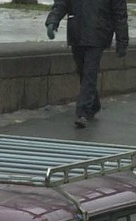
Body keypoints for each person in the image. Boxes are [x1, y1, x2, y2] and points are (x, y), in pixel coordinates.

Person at [45, 0, 129, 129]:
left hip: (98, 34)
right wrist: (53, 21)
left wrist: (122, 41)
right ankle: (93, 105)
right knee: (82, 71)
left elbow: (119, 13)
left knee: (89, 73)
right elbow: (62, 3)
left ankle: (82, 113)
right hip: (77, 33)